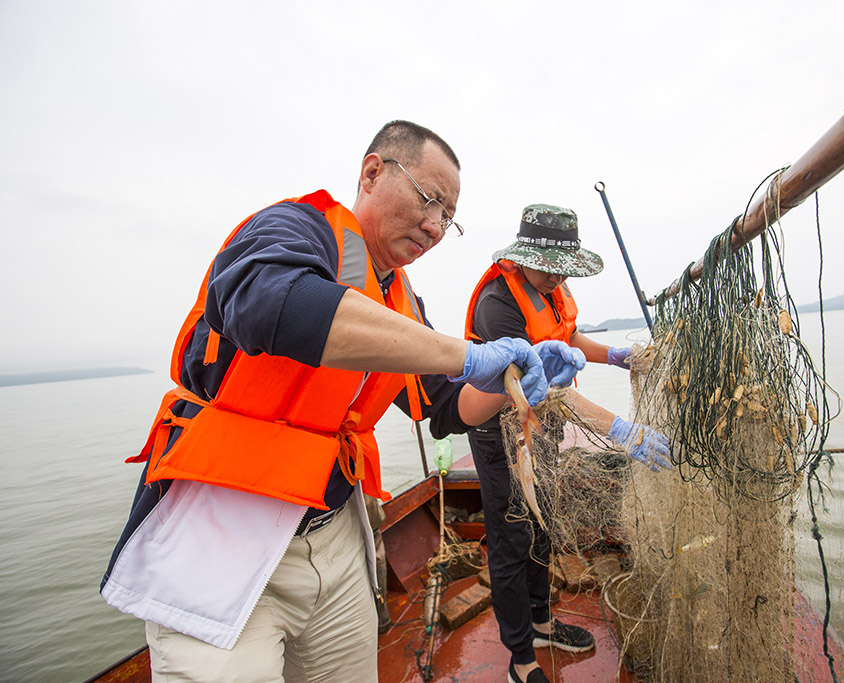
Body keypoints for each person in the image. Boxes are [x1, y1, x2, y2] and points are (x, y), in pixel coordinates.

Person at [99, 121, 583, 683]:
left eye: (449, 218)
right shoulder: (294, 228)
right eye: (429, 200)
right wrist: (463, 353)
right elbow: (262, 301)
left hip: (334, 531)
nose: (434, 226)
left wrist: (511, 383)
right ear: (373, 172)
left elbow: (448, 408)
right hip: (220, 532)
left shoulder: (400, 300)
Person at [464, 204, 672, 683]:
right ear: (523, 256)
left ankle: (542, 623)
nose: (558, 277)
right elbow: (547, 391)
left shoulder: (550, 287)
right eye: (549, 266)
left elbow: (568, 334)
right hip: (502, 432)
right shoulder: (497, 304)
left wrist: (616, 356)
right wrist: (623, 431)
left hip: (545, 429)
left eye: (564, 269)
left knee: (543, 524)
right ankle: (521, 658)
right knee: (513, 536)